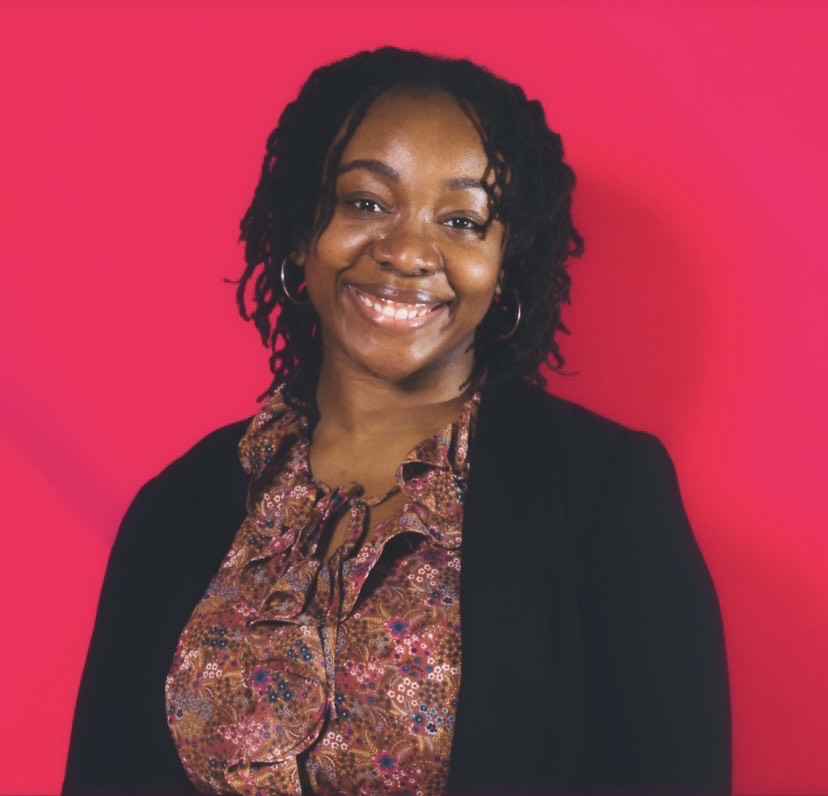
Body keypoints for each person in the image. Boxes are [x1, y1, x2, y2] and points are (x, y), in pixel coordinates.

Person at [63, 47, 731, 795]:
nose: (409, 251)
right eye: (366, 203)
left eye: (461, 219)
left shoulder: (604, 494)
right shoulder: (180, 504)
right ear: (299, 229)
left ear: (505, 261)